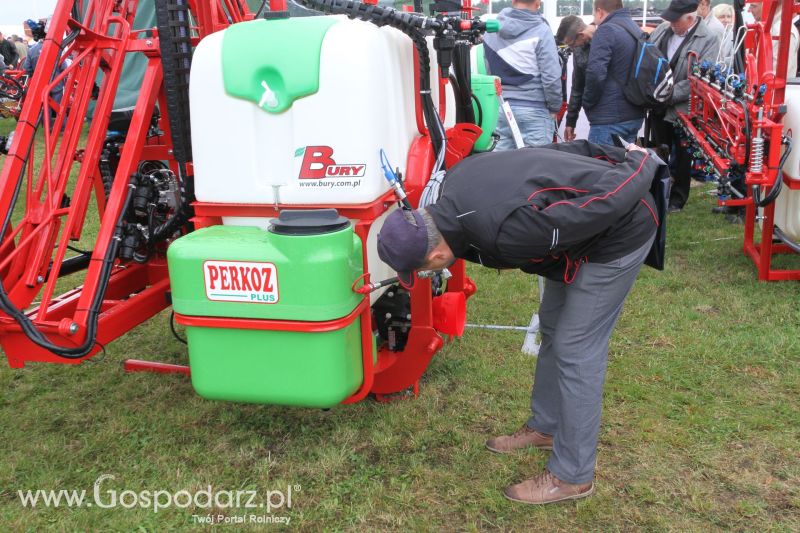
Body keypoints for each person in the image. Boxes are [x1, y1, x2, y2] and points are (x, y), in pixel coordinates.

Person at [377, 140, 663, 505]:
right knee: (554, 325)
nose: (422, 274)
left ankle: (572, 475)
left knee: (576, 346)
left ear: (436, 255)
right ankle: (545, 426)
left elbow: (600, 206)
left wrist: (637, 165)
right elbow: (555, 152)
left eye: (420, 269)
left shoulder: (507, 232)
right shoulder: (453, 186)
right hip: (573, 241)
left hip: (620, 228)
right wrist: (607, 153)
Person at [650, 0, 720, 212]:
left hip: (684, 109)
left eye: (675, 19)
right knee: (658, 150)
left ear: (690, 18)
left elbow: (698, 79)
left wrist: (667, 94)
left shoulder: (709, 38)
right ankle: (657, 191)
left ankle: (677, 199)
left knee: (682, 156)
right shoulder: (663, 29)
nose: (670, 23)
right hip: (657, 104)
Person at [483, 0, 562, 149]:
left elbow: (489, 73)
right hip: (535, 111)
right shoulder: (542, 30)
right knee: (536, 169)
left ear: (513, 1)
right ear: (538, 2)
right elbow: (551, 77)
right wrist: (554, 107)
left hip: (501, 110)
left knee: (501, 168)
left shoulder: (491, 31)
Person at [581, 0, 646, 145]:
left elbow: (596, 73)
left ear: (599, 11)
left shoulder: (606, 30)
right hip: (634, 114)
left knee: (600, 166)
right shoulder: (634, 29)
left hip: (609, 117)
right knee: (623, 165)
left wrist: (587, 102)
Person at [555, 16, 596, 142]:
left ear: (581, 35)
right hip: (597, 117)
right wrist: (570, 122)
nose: (572, 49)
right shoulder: (579, 49)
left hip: (614, 114)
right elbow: (577, 87)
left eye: (572, 44)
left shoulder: (607, 37)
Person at [749, 1, 799, 77]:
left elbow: (778, 76)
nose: (749, 10)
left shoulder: (783, 31)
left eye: (754, 6)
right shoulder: (773, 28)